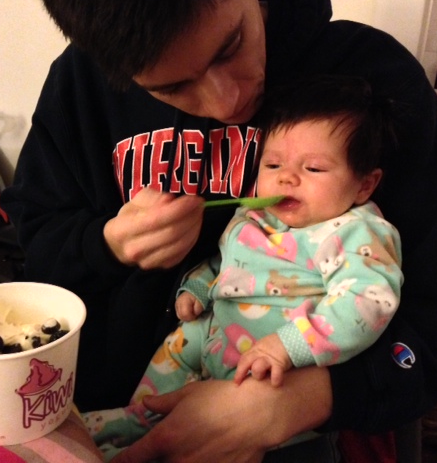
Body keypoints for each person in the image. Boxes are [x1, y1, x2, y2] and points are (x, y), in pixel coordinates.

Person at [0, 0, 437, 461]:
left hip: (302, 424)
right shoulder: (80, 85)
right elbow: (39, 239)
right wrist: (108, 244)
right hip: (113, 405)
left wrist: (294, 402)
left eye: (231, 46)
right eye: (172, 87)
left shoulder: (369, 77)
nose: (226, 103)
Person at [83, 75, 404, 460]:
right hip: (207, 341)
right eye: (273, 164)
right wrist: (199, 286)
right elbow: (228, 262)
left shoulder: (354, 232)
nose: (286, 177)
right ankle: (129, 427)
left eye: (314, 169)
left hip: (273, 380)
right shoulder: (253, 217)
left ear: (364, 185)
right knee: (162, 389)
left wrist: (291, 344)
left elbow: (367, 301)